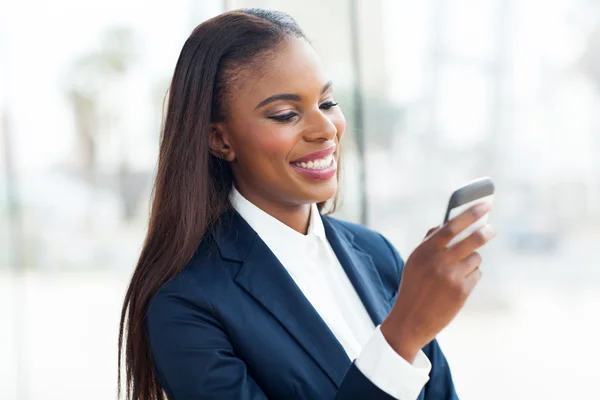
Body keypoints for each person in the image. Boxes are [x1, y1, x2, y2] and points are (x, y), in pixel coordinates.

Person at [118, 8, 495, 400]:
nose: (325, 129)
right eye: (286, 114)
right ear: (220, 140)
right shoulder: (185, 302)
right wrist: (402, 337)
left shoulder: (377, 254)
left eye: (328, 103)